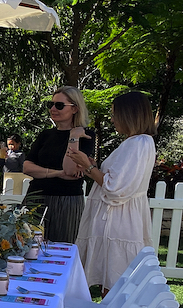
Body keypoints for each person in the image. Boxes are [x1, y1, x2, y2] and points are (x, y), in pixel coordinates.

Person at [67, 91, 157, 294]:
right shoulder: (136, 143)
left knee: (115, 283)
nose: (112, 119)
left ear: (129, 114)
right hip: (118, 219)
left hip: (118, 222)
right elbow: (119, 179)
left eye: (115, 114)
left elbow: (116, 188)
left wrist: (88, 168)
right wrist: (94, 167)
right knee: (111, 282)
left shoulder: (138, 144)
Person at [22, 86, 95, 242]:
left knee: (62, 251)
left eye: (59, 105)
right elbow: (27, 167)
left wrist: (74, 136)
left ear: (75, 108)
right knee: (26, 248)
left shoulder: (86, 135)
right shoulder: (45, 135)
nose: (53, 109)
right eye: (51, 104)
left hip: (67, 202)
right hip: (36, 198)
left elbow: (69, 169)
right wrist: (56, 173)